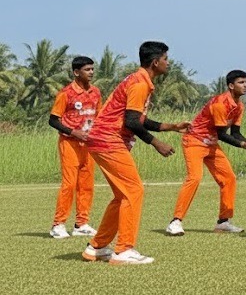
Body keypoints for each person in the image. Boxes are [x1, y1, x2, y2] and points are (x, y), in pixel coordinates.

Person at [83, 41, 191, 264]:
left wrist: (171, 126)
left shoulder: (139, 80)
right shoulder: (140, 83)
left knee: (122, 195)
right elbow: (131, 122)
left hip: (101, 139)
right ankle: (123, 250)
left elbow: (139, 118)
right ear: (155, 62)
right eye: (166, 59)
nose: (168, 63)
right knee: (134, 191)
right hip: (108, 139)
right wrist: (156, 143)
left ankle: (97, 247)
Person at [167, 70, 246, 236]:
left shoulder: (239, 106)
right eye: (241, 82)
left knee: (229, 178)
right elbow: (221, 134)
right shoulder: (220, 103)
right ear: (231, 85)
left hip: (211, 144)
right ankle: (175, 221)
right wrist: (245, 146)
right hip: (195, 141)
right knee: (195, 178)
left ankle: (223, 222)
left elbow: (235, 133)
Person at [48, 56, 102, 239]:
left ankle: (81, 224)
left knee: (86, 185)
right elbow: (53, 120)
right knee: (69, 184)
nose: (91, 72)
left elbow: (99, 117)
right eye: (87, 70)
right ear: (76, 72)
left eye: (92, 69)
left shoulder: (95, 92)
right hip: (70, 142)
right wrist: (73, 132)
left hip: (88, 144)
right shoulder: (66, 93)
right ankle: (58, 224)